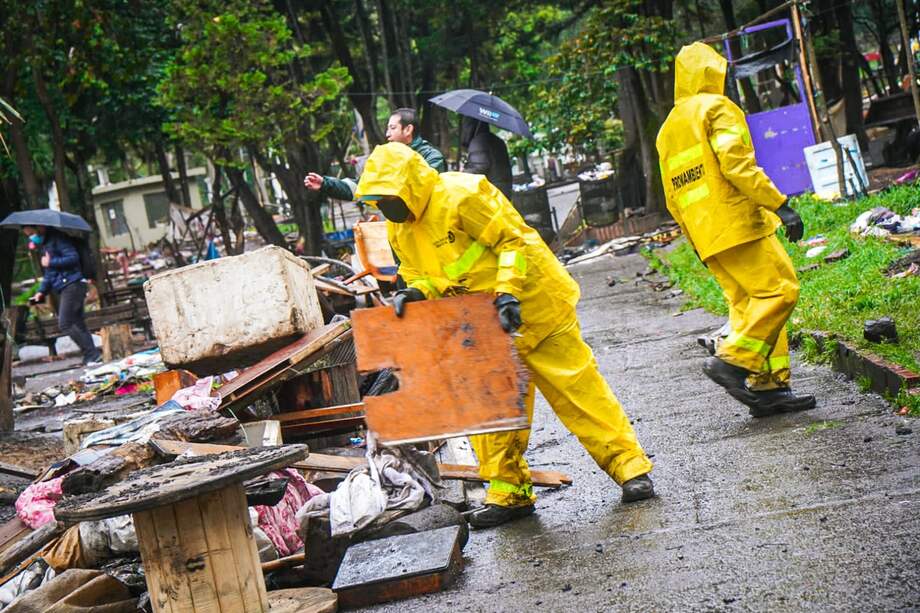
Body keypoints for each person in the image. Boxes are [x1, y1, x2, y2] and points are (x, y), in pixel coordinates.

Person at [354, 142, 655, 528]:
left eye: (387, 197)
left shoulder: (463, 194)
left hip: (535, 304)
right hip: (482, 322)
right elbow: (421, 274)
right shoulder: (400, 229)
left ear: (409, 184)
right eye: (377, 200)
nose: (384, 207)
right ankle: (509, 492)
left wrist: (508, 291)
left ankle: (630, 469)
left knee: (578, 392)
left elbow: (512, 242)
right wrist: (415, 292)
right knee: (492, 410)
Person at [655, 42, 816, 417]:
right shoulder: (716, 107)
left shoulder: (666, 130)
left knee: (751, 306)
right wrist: (779, 204)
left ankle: (769, 387)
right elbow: (736, 165)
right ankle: (732, 362)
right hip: (738, 223)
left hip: (707, 236)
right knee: (780, 291)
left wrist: (695, 241)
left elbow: (672, 197)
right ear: (713, 73)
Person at [304, 108, 446, 198]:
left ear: (408, 129)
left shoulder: (432, 157)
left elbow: (421, 190)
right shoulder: (388, 159)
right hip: (400, 232)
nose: (387, 134)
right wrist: (325, 184)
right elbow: (361, 187)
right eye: (387, 129)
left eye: (392, 128)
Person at [23, 225, 102, 366]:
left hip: (73, 283)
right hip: (67, 285)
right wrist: (41, 291)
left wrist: (51, 261)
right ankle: (92, 355)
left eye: (31, 233)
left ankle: (91, 354)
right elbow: (50, 273)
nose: (31, 237)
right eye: (28, 235)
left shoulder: (58, 239)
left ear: (40, 227)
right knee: (77, 322)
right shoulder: (46, 244)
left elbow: (73, 257)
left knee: (65, 323)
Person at [461, 117, 513, 200]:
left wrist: (461, 174)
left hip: (491, 194)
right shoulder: (498, 140)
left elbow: (478, 169)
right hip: (503, 191)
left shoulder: (478, 142)